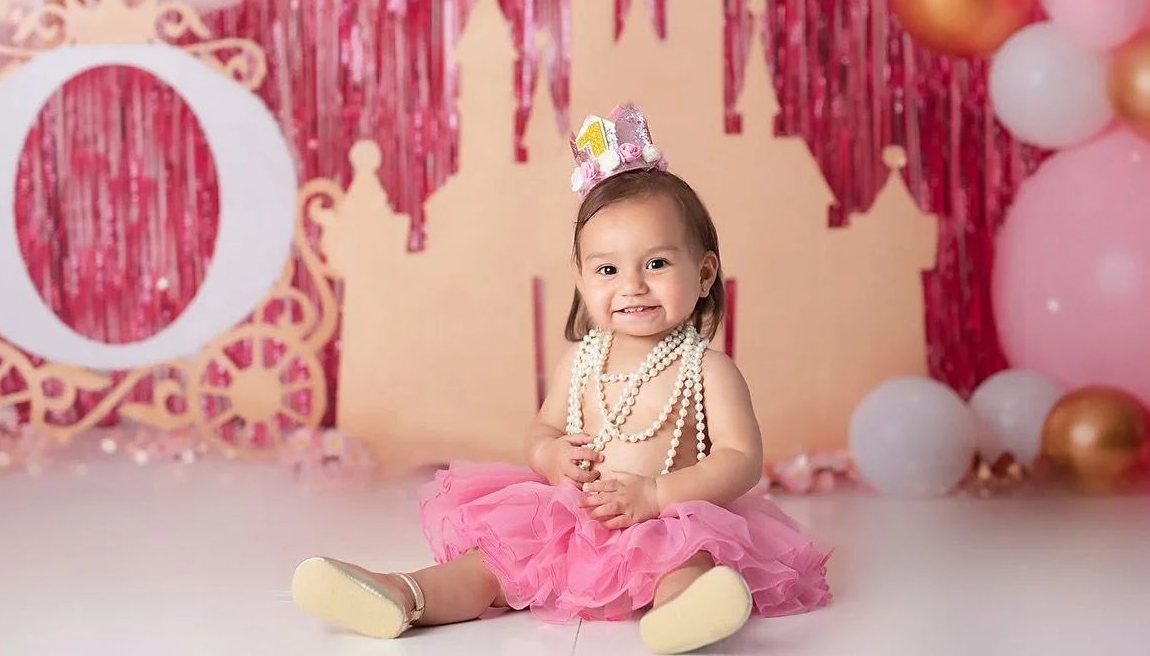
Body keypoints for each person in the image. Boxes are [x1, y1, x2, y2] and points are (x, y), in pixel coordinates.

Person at [291, 105, 831, 654]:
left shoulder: (708, 369)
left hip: (666, 517)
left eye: (657, 264)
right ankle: (403, 594)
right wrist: (550, 458)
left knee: (689, 558)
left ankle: (682, 615)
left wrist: (657, 494)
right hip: (571, 521)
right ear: (580, 277)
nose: (632, 287)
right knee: (493, 565)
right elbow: (542, 430)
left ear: (704, 274)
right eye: (607, 270)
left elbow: (740, 459)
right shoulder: (579, 362)